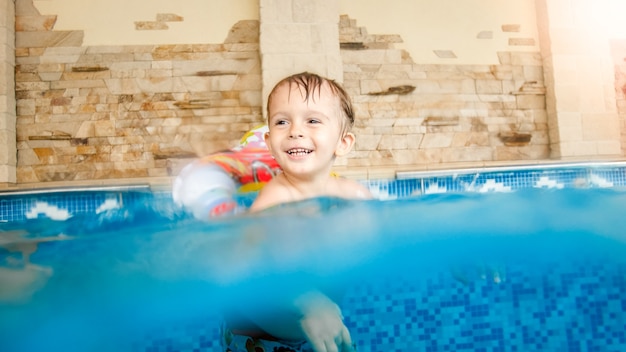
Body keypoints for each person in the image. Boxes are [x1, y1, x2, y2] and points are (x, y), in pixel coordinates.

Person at [221, 72, 372, 352]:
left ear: (343, 143)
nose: (295, 131)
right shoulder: (275, 199)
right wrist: (310, 301)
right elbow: (254, 266)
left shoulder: (355, 195)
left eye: (312, 120)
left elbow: (384, 236)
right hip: (256, 334)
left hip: (312, 327)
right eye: (282, 121)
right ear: (269, 142)